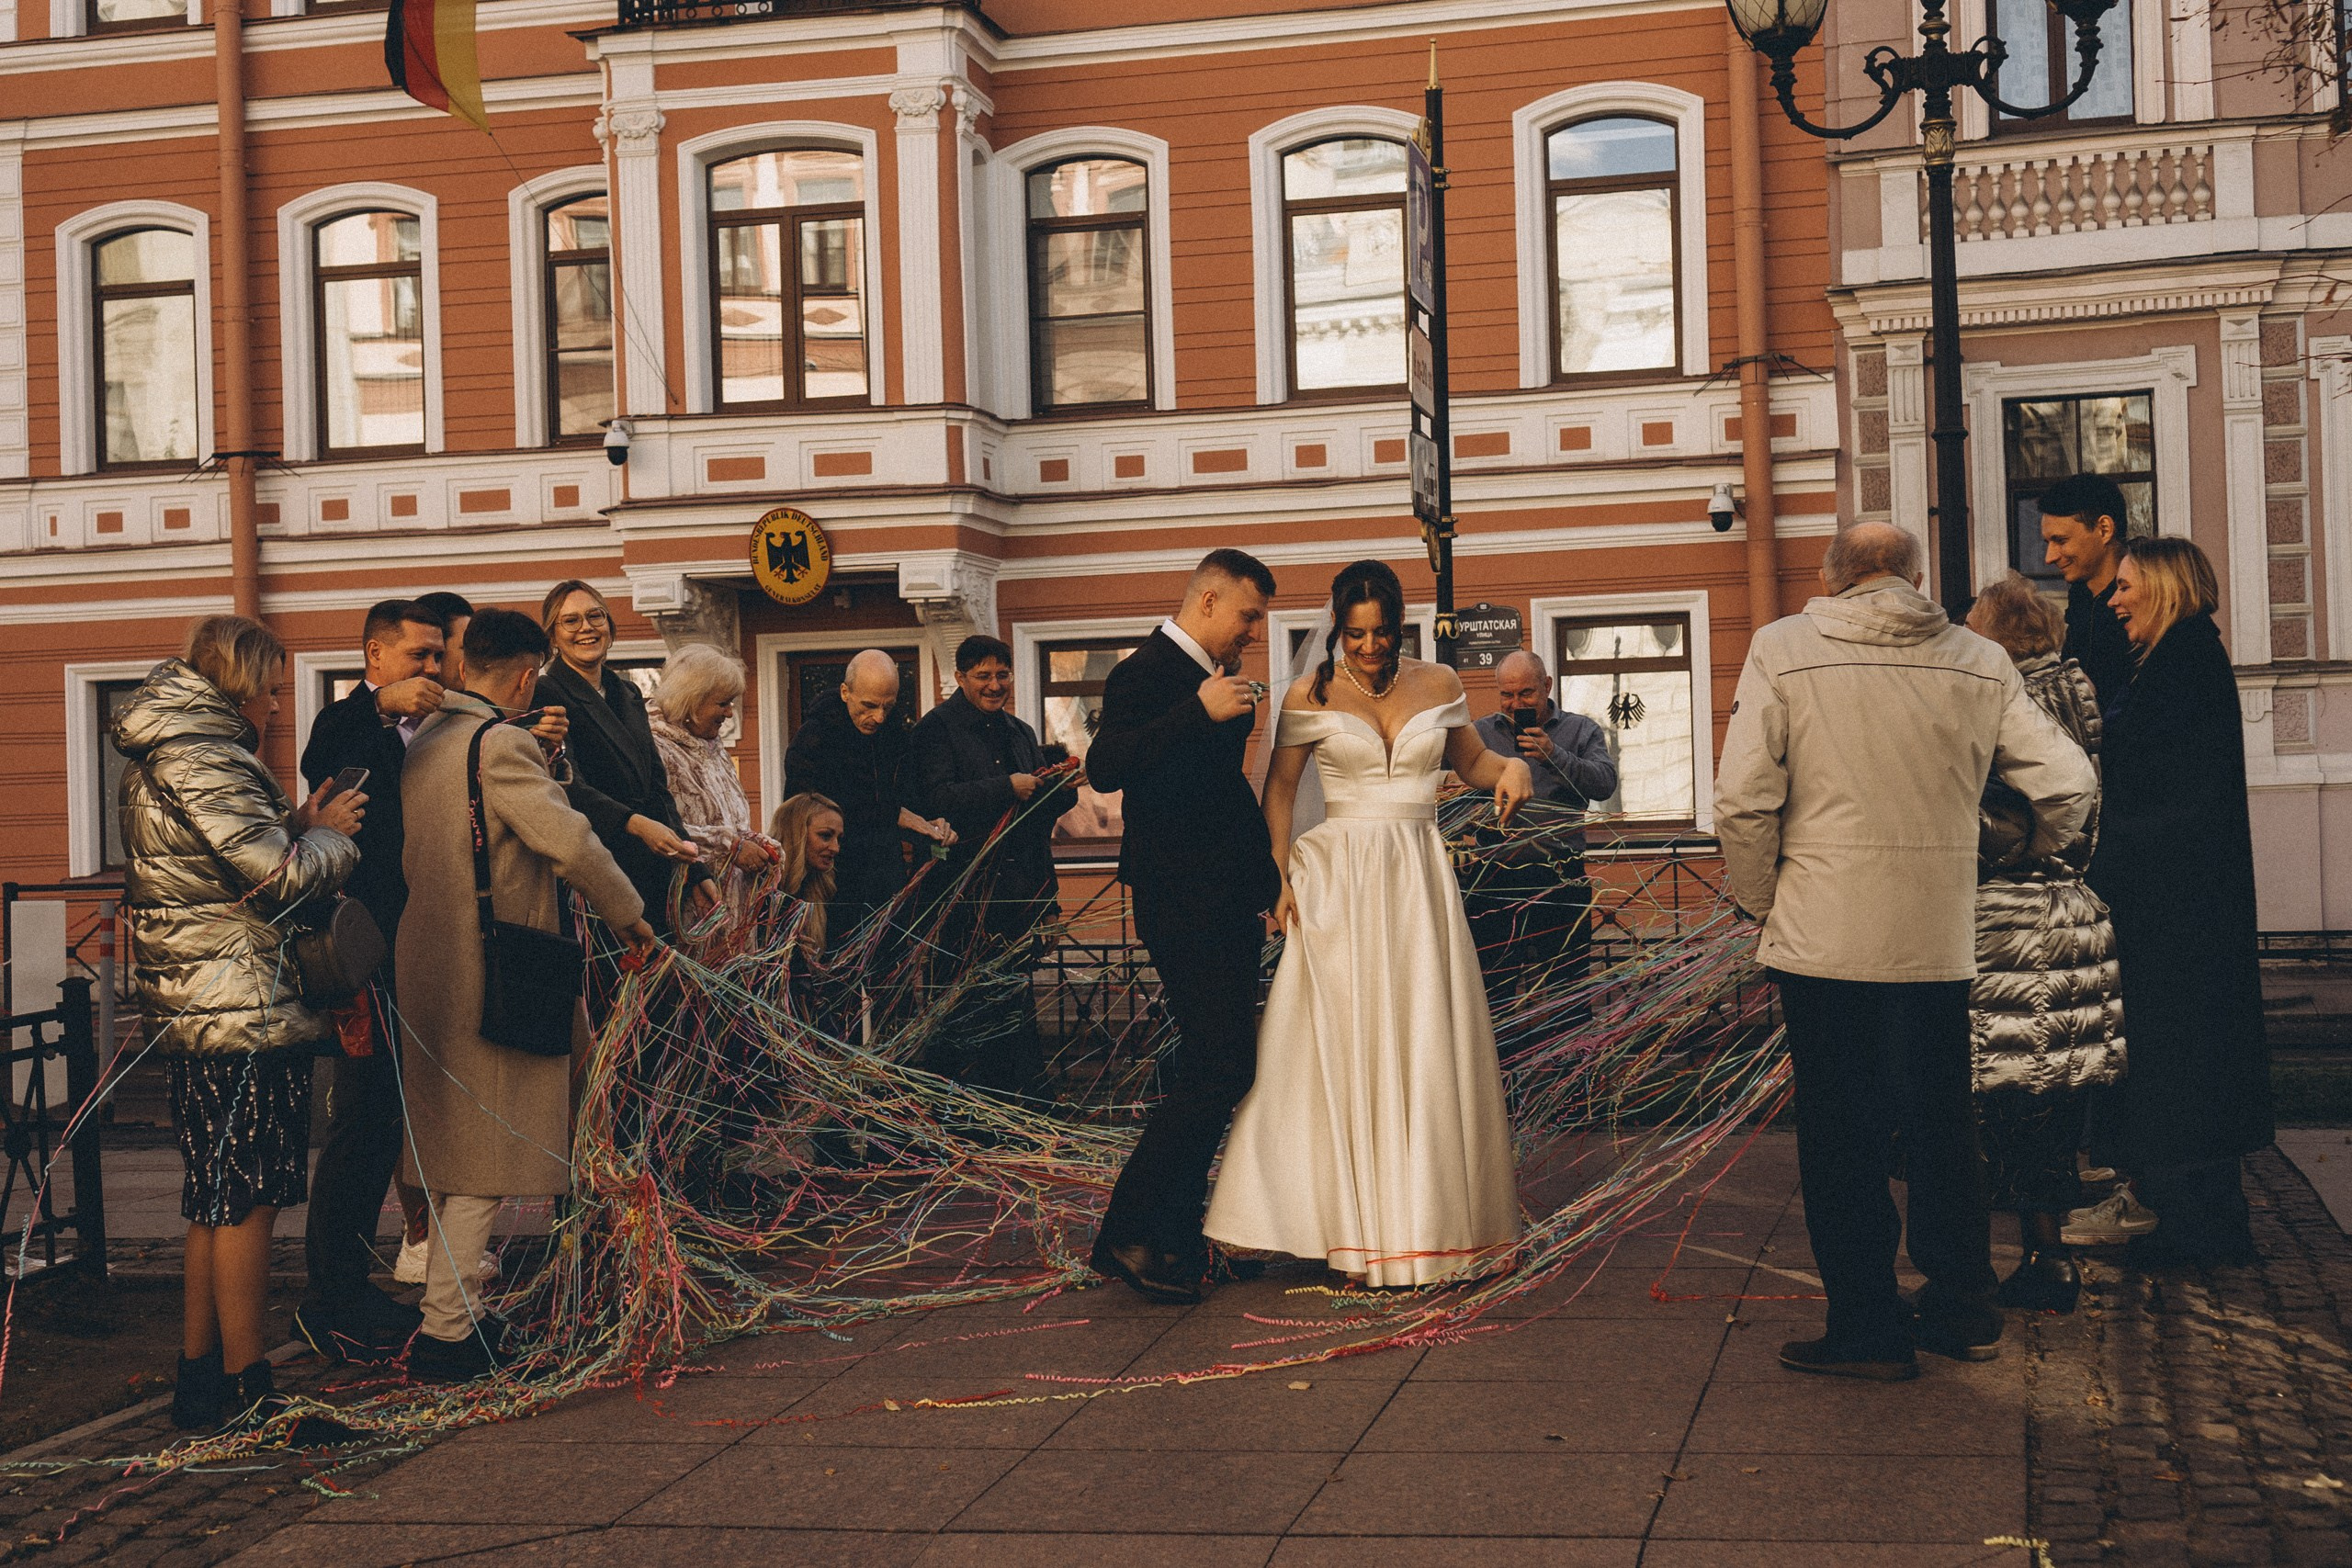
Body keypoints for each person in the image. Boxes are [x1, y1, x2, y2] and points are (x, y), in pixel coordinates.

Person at [1714, 523, 2097, 1381]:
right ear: (1918, 577)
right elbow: (2069, 780)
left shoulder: (1782, 648)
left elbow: (1742, 799)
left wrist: (1764, 899)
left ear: (1833, 578)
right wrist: (2024, 849)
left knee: (1840, 1134)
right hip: (1934, 931)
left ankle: (1866, 1324)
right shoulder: (1977, 658)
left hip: (1822, 934)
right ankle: (1963, 1306)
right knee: (1941, 1122)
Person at [1204, 559, 1532, 1287]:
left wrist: (1508, 770)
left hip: (1418, 879)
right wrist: (1279, 880)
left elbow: (1471, 760)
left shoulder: (1440, 684)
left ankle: (1425, 1225)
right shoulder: (1306, 694)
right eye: (1355, 635)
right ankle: (1348, 1230)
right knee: (1340, 1050)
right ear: (1337, 629)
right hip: (1341, 887)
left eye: (1381, 632)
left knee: (1421, 1041)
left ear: (1399, 624)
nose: (1369, 647)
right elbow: (1280, 792)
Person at [116, 615, 366, 1429]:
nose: (272, 705)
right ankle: (250, 1383)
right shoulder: (208, 751)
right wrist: (329, 838)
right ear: (240, 681)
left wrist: (295, 820)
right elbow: (277, 879)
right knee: (249, 1200)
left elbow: (219, 862)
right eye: (268, 687)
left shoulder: (174, 745)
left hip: (206, 1000)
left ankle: (202, 1380)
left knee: (214, 1198)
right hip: (241, 1003)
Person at [395, 608, 658, 1381]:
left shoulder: (429, 741)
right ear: (522, 677)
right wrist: (635, 919)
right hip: (499, 966)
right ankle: (449, 1330)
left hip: (429, 964)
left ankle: (458, 1308)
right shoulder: (500, 742)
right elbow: (569, 840)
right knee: (489, 1147)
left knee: (451, 1146)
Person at [1087, 548, 1281, 1303]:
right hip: (1180, 899)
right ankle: (1129, 1234)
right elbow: (1105, 767)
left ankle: (1173, 1236)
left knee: (1218, 1065)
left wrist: (1268, 881)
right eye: (1248, 615)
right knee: (1219, 1064)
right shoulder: (1145, 671)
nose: (1253, 632)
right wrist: (1196, 712)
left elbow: (1222, 792)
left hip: (1224, 897)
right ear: (1207, 601)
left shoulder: (1219, 681)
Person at [2090, 536, 2273, 1269]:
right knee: (2189, 1063)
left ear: (2163, 587)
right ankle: (2205, 1221)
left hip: (2176, 909)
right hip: (2183, 901)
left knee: (2179, 1063)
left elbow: (2172, 795)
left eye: (2128, 584)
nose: (2116, 597)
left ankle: (2193, 1229)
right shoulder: (2180, 661)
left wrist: (2105, 855)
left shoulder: (2182, 667)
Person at [1962, 573, 2124, 1314]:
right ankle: (2047, 1254)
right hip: (2073, 913)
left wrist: (1983, 847)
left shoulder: (2006, 700)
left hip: (2009, 920)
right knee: (2054, 1100)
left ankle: (2010, 1264)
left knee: (2002, 1100)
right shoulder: (2079, 691)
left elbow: (2009, 809)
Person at [291, 599, 444, 1364]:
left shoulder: (428, 728)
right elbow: (325, 764)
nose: (431, 670)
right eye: (417, 655)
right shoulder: (350, 720)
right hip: (362, 953)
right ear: (375, 655)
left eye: (439, 656)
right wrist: (382, 706)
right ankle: (333, 1292)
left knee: (384, 1121)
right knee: (359, 1125)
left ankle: (353, 1282)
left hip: (413, 947)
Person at [909, 635, 1075, 1097]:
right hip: (962, 900)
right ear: (960, 678)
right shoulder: (934, 730)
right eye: (983, 676)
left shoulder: (1020, 731)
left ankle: (1013, 1112)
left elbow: (1035, 823)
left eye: (1002, 675)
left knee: (1013, 1006)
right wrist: (1006, 786)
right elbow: (935, 800)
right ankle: (957, 1115)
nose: (995, 684)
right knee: (962, 1012)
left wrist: (1061, 788)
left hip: (1017, 900)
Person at [535, 581, 707, 936]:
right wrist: (636, 823)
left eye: (595, 616)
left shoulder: (627, 691)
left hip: (653, 871)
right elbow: (567, 786)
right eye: (570, 621)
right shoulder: (547, 692)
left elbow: (658, 787)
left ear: (610, 628)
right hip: (600, 874)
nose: (586, 628)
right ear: (553, 636)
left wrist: (693, 869)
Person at [1466, 649, 1618, 1013]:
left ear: (1547, 686)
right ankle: (1503, 1070)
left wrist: (1554, 755)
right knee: (1494, 995)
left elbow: (1604, 783)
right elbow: (1448, 789)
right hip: (1495, 880)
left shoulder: (1581, 729)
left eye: (1526, 694)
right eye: (1506, 694)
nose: (1515, 703)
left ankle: (1569, 1068)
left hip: (1561, 878)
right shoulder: (1479, 733)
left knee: (1568, 993)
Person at [782, 649, 953, 940]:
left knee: (889, 962)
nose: (879, 717)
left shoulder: (894, 734)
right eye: (869, 705)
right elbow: (805, 810)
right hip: (830, 878)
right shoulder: (815, 737)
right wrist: (896, 815)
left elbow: (906, 797)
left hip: (885, 877)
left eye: (888, 707)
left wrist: (929, 823)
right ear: (846, 692)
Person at [648, 643, 780, 906]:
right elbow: (659, 826)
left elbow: (731, 823)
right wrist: (729, 845)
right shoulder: (655, 748)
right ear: (691, 701)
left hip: (735, 911)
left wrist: (756, 843)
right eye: (722, 703)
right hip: (691, 907)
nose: (730, 713)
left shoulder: (714, 748)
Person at [2038, 474, 2135, 717]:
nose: (2049, 557)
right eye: (2048, 542)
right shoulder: (2081, 602)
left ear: (2104, 529)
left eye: (2060, 540)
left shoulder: (2145, 608)